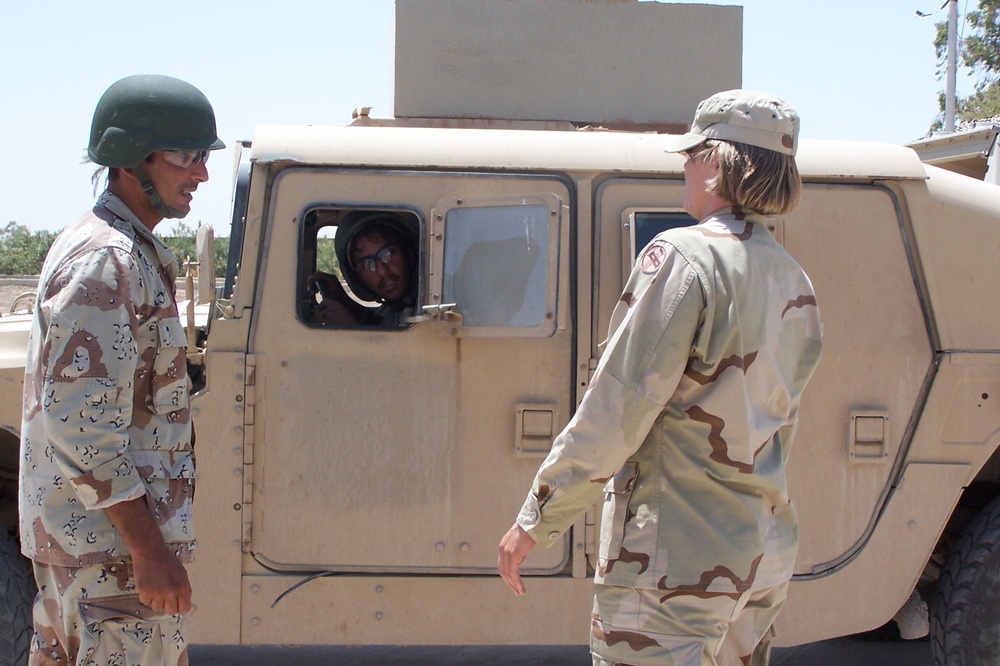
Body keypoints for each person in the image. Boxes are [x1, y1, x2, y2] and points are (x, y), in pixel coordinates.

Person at [498, 90, 824, 665]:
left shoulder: (682, 256)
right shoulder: (790, 276)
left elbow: (618, 407)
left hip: (675, 562)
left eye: (694, 153)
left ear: (720, 165)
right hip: (760, 555)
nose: (685, 165)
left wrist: (538, 518)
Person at [18, 74, 224, 666]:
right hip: (108, 562)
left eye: (204, 156)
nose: (201, 174)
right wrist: (148, 550)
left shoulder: (122, 250)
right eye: (186, 156)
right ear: (134, 160)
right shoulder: (107, 260)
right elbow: (82, 429)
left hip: (97, 559)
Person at [309, 212, 418, 327]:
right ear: (358, 278)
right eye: (367, 264)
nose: (382, 272)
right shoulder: (395, 308)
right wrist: (343, 300)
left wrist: (351, 330)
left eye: (388, 254)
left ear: (409, 255)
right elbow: (378, 321)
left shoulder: (427, 306)